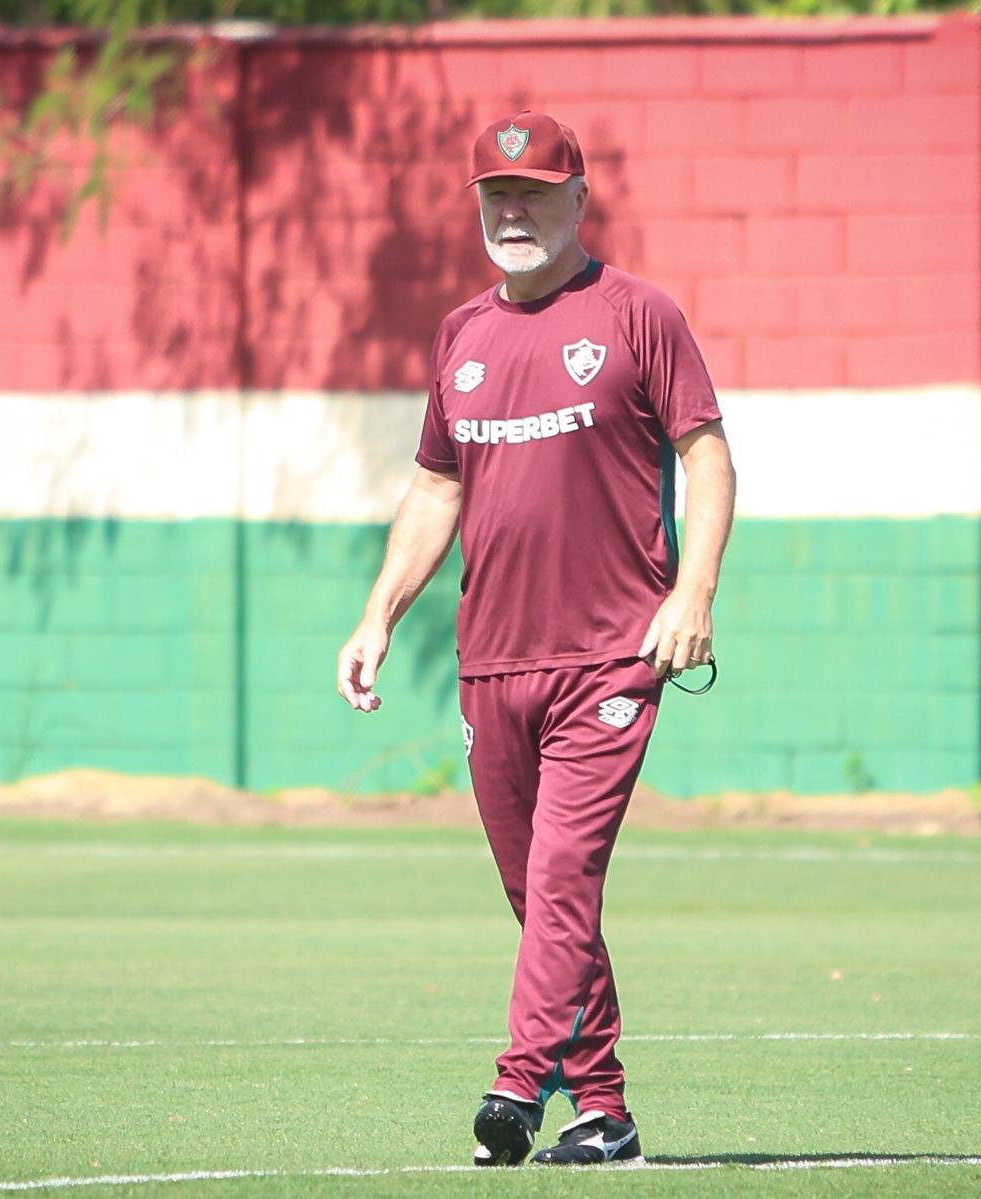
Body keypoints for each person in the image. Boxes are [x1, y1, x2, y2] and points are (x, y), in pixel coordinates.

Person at [334, 110, 736, 1168]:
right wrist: (380, 612)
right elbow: (435, 484)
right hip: (490, 663)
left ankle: (518, 1084)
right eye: (494, 196)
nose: (512, 213)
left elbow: (707, 455)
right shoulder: (461, 336)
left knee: (563, 880)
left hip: (610, 653)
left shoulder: (638, 314)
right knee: (537, 895)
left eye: (532, 192)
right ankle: (602, 1111)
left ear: (576, 198)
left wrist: (692, 591)